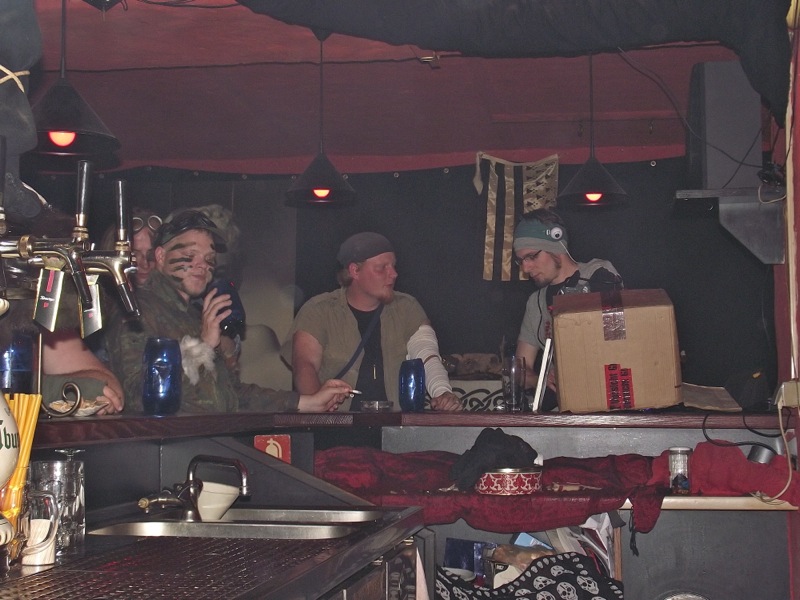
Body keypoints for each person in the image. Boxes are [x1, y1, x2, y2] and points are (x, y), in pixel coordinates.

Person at [107, 209, 351, 413]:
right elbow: (138, 396)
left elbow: (232, 394)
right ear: (160, 256)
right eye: (190, 255)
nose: (202, 265)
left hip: (207, 443)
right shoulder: (135, 312)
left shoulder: (195, 315)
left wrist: (307, 402)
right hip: (165, 448)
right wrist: (203, 346)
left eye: (209, 258)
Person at [281, 232, 462, 411]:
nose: (394, 274)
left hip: (395, 425)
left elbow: (426, 354)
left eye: (393, 266)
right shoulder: (319, 310)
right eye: (382, 268)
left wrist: (442, 391)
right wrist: (319, 409)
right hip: (337, 424)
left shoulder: (407, 308)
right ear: (355, 271)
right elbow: (305, 366)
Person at [513, 209, 622, 407]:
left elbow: (617, 339)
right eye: (521, 261)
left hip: (607, 403)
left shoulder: (599, 274)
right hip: (564, 410)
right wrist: (541, 380)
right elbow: (521, 368)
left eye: (532, 257)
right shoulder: (536, 302)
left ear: (556, 244)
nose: (525, 268)